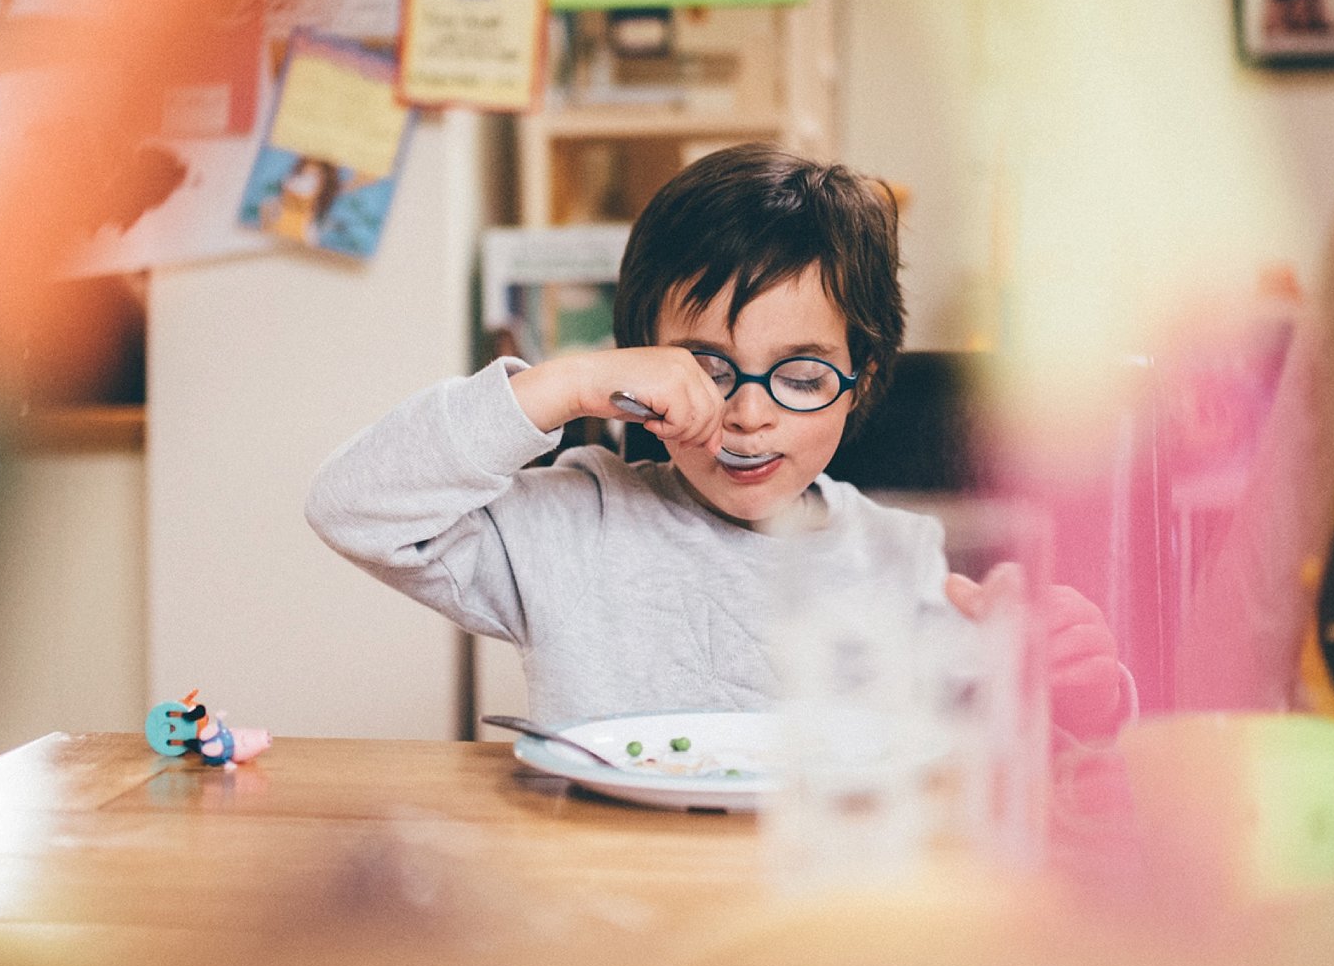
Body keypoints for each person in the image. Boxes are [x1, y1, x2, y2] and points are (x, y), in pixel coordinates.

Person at [305, 143, 1133, 742]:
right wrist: (563, 383)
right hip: (603, 920)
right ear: (640, 362)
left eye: (802, 377)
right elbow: (354, 510)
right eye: (707, 370)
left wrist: (1085, 688)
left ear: (864, 377)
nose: (747, 416)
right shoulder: (575, 522)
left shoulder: (897, 557)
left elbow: (1024, 736)